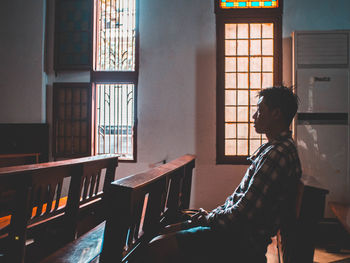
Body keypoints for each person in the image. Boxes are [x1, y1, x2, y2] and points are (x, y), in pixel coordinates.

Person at [146, 86, 302, 263]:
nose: (254, 116)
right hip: (241, 234)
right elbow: (240, 204)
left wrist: (207, 219)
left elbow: (242, 213)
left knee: (157, 246)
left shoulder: (276, 154)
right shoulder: (280, 148)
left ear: (276, 114)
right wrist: (210, 215)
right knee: (166, 231)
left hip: (241, 241)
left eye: (260, 110)